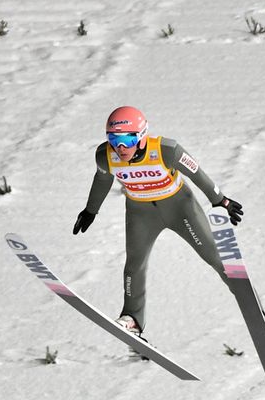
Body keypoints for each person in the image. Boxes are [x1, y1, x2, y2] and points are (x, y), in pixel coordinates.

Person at [72, 106, 246, 339]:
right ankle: (133, 318)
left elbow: (197, 173)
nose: (120, 147)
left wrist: (220, 200)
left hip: (180, 208)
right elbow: (102, 180)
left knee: (212, 254)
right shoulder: (105, 155)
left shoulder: (166, 150)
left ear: (141, 136)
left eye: (126, 139)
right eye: (113, 139)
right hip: (140, 213)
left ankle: (246, 298)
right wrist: (91, 210)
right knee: (134, 264)